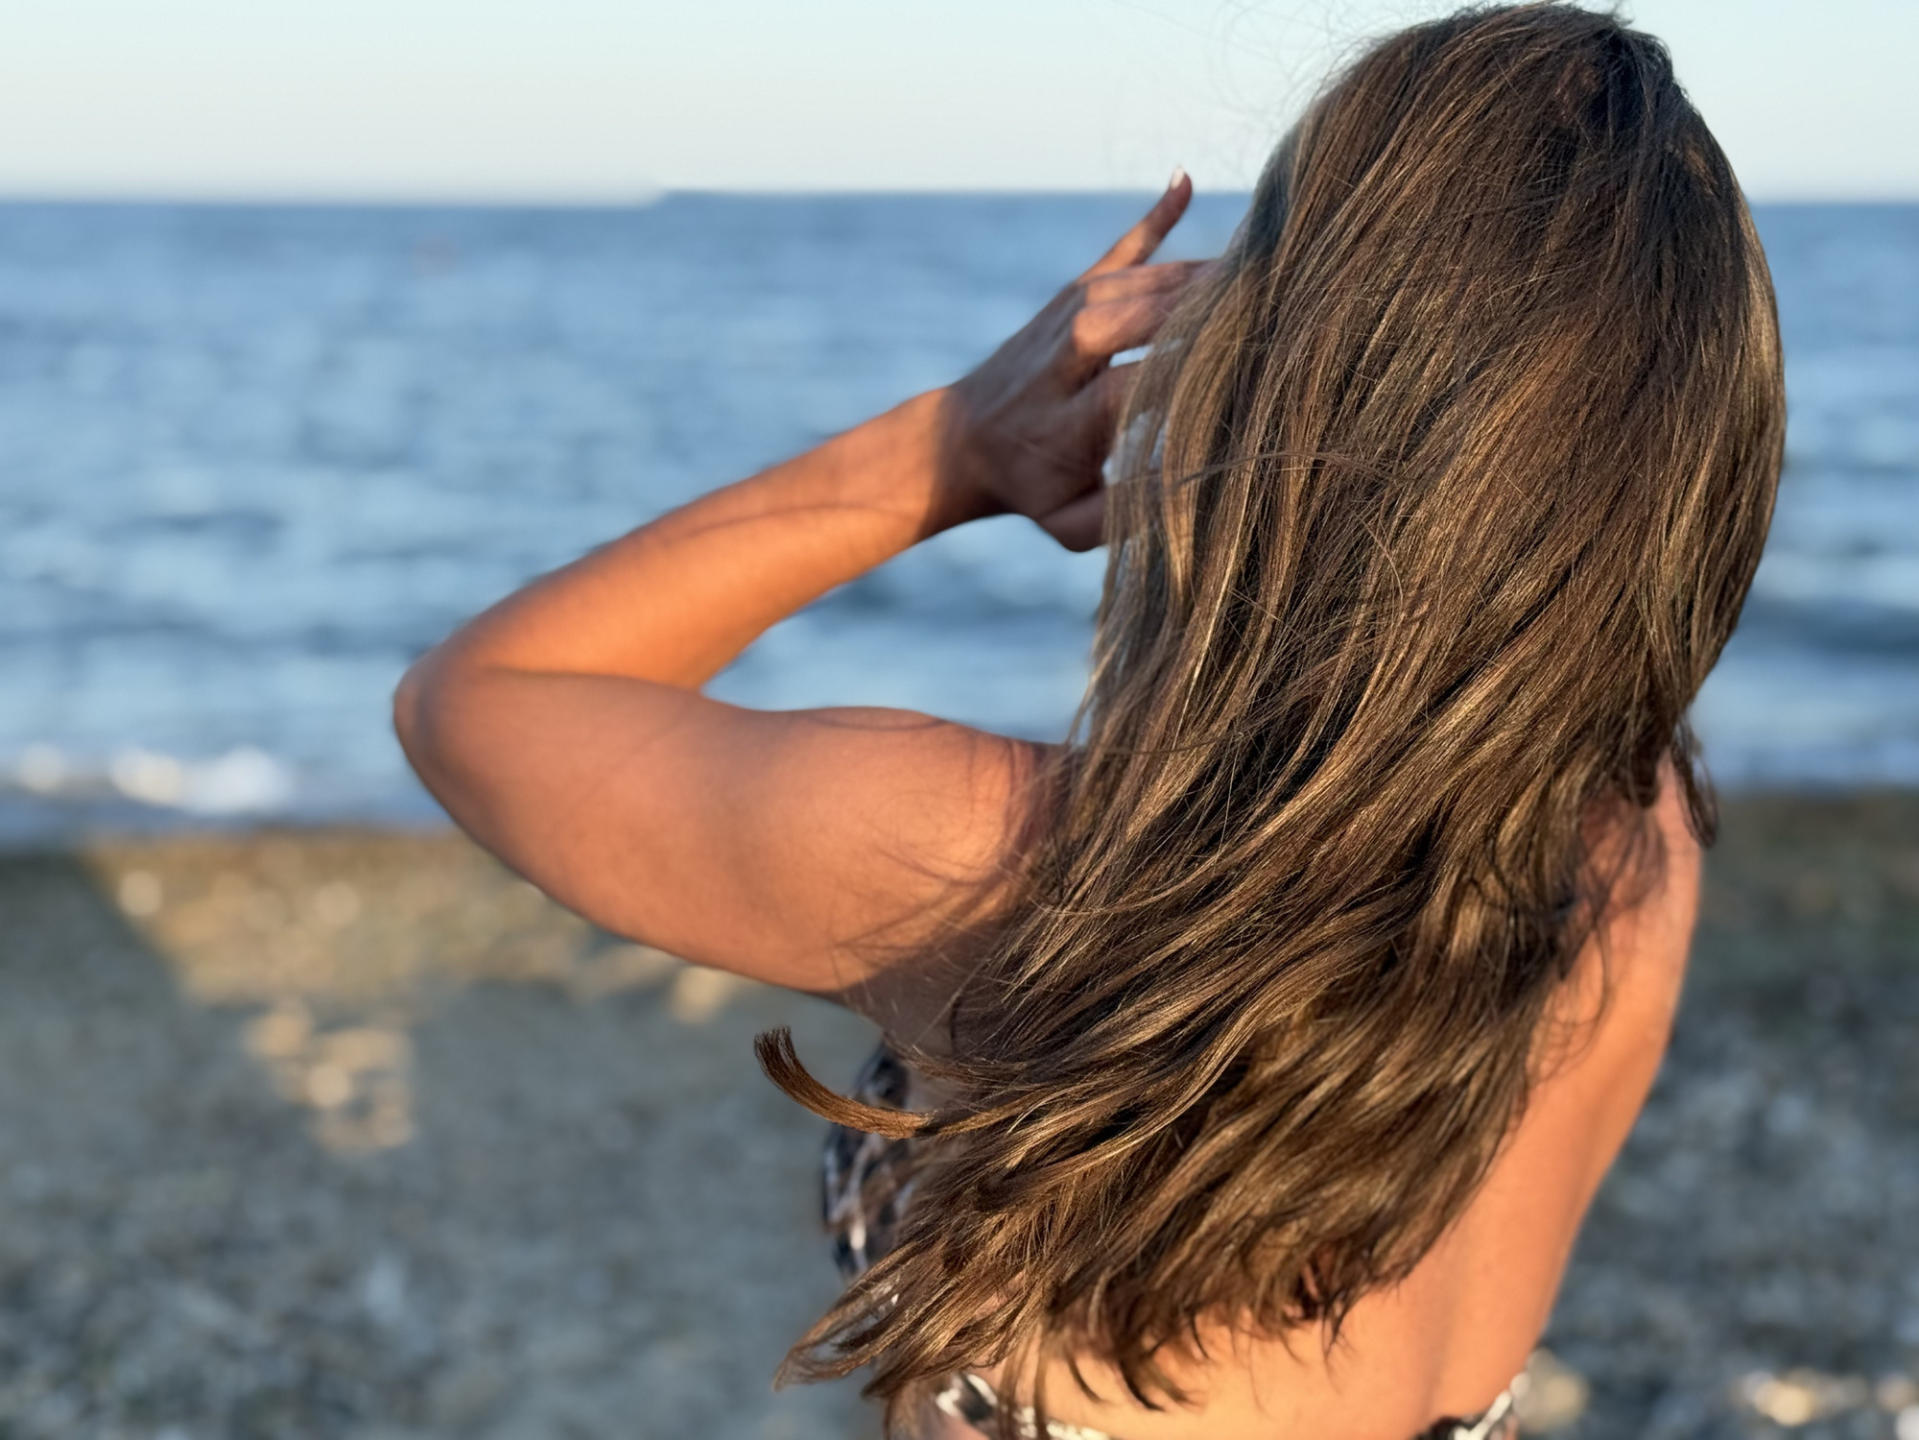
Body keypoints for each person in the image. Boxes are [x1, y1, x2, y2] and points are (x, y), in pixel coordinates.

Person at [393, 5, 1785, 1436]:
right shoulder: (1640, 845)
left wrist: (952, 449)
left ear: (1275, 382)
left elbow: (476, 703)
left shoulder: (1008, 875)